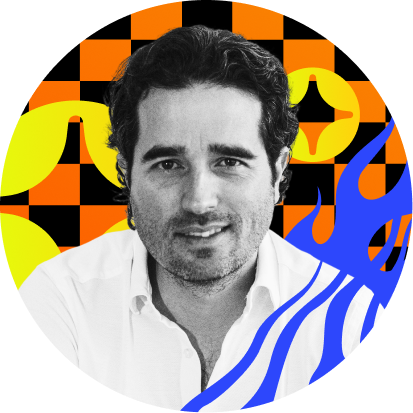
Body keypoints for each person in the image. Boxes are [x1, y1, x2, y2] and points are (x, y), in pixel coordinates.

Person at [18, 26, 384, 410]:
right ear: (126, 174)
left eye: (229, 162)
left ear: (277, 173)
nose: (199, 201)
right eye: (168, 164)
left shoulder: (348, 320)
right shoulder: (63, 299)